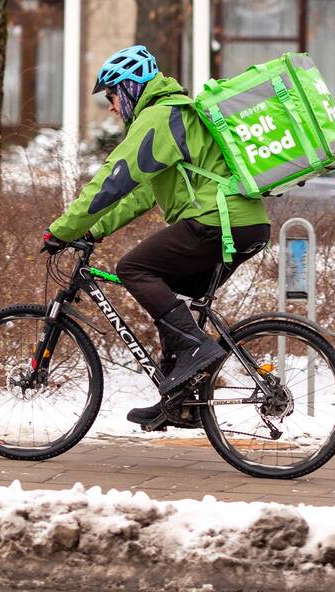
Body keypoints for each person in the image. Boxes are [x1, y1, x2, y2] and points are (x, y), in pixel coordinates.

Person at [42, 45, 271, 426]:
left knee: (133, 268)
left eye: (112, 95)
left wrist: (63, 229)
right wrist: (95, 229)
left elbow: (114, 179)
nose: (112, 107)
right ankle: (180, 400)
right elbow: (143, 193)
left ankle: (198, 351)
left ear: (130, 88)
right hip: (243, 223)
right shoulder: (172, 117)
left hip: (216, 222)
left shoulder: (161, 117)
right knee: (172, 295)